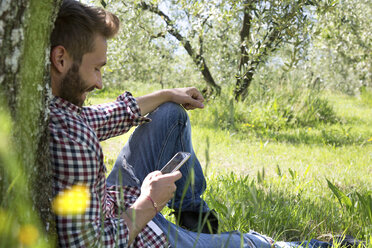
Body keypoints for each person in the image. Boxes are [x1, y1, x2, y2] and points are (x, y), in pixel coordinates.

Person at [49, 1, 354, 247]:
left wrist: (169, 93)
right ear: (61, 60)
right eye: (97, 69)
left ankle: (193, 214)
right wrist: (150, 201)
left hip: (118, 204)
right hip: (133, 230)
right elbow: (91, 245)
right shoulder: (73, 140)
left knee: (169, 115)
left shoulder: (60, 110)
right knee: (240, 244)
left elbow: (106, 115)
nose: (100, 83)